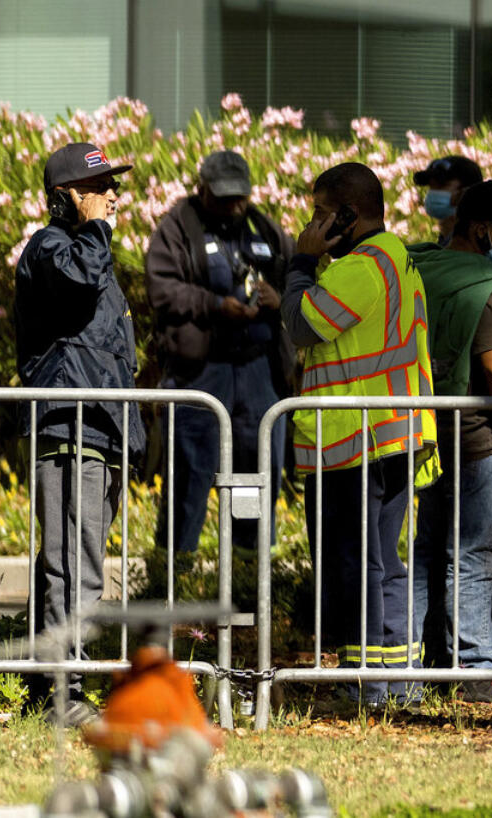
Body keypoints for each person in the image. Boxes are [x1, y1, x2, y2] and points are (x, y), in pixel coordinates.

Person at [281, 162, 441, 711]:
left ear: (349, 214)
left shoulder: (360, 268)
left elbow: (303, 326)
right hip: (390, 431)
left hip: (355, 436)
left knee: (357, 563)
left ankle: (364, 685)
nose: (313, 222)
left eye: (322, 213)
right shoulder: (397, 259)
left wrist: (302, 261)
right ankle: (396, 681)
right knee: (384, 560)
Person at [14, 142, 145, 725]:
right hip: (70, 429)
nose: (113, 196)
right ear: (69, 196)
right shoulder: (52, 249)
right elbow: (75, 284)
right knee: (74, 568)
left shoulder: (90, 251)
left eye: (114, 185)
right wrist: (95, 230)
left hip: (101, 432)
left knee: (75, 564)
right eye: (101, 186)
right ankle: (62, 695)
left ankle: (51, 686)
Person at [407, 182, 492, 702]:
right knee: (474, 557)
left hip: (426, 437)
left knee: (427, 554)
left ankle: (411, 668)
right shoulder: (489, 286)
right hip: (481, 443)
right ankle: (476, 670)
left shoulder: (423, 269)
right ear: (483, 229)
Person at [145, 150, 295, 568]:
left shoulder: (263, 227)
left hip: (258, 371)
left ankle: (250, 574)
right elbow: (161, 288)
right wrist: (213, 304)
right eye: (223, 197)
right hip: (200, 373)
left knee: (254, 470)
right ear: (201, 189)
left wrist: (277, 297)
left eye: (239, 197)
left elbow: (301, 278)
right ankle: (173, 575)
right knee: (189, 474)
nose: (233, 205)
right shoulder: (177, 227)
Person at [413, 155, 484, 245]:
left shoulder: (483, 245)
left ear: (466, 192)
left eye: (442, 186)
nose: (433, 193)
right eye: (431, 187)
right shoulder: (442, 242)